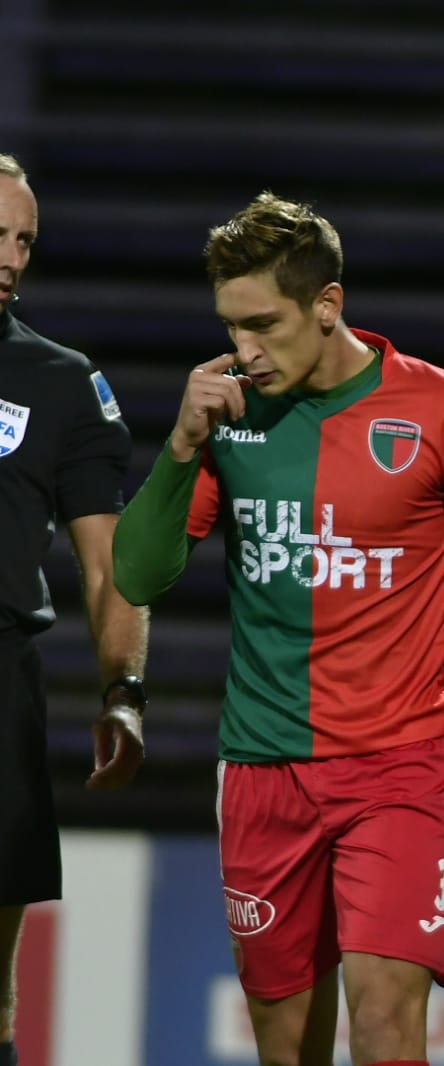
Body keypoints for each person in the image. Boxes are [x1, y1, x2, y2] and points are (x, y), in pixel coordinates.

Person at [111, 192, 444, 1066]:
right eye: (229, 325)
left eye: (264, 324)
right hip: (260, 770)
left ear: (328, 305)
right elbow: (137, 576)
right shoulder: (228, 417)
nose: (244, 349)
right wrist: (178, 446)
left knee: (388, 1024)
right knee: (287, 1048)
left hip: (396, 768)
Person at [0, 153, 148, 1066]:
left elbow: (108, 568)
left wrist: (123, 691)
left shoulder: (61, 383)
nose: (10, 256)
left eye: (24, 241)